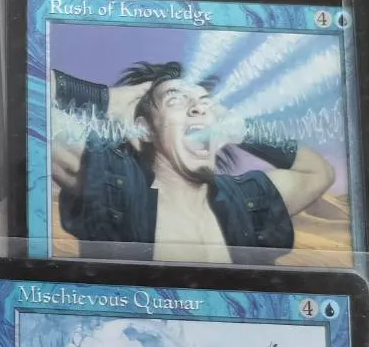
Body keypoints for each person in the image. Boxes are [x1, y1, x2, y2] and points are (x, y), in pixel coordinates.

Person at [50, 62, 335, 264]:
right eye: (177, 100)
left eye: (205, 102)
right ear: (145, 129)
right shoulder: (114, 185)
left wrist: (244, 128)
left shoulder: (247, 201)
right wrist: (110, 99)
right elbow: (30, 98)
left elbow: (318, 172)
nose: (198, 107)